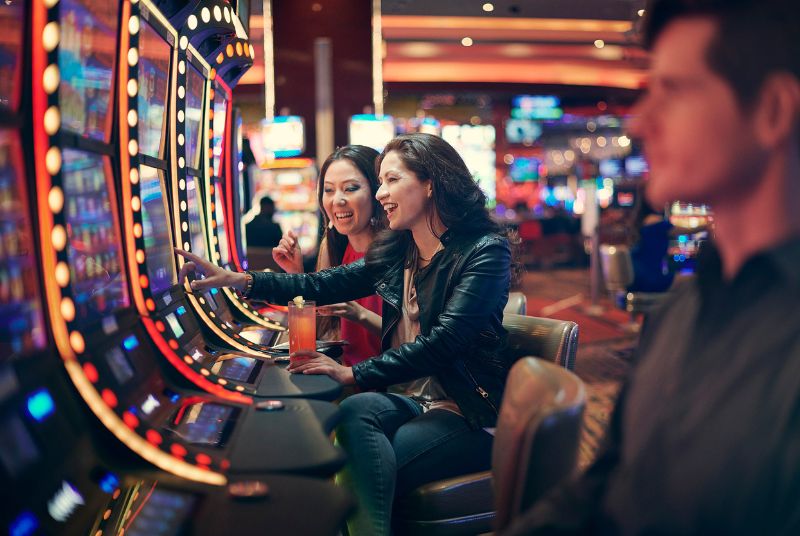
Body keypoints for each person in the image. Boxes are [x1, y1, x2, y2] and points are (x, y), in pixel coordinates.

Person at [504, 0, 800, 534]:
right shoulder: (683, 307)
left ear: (772, 111)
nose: (641, 121)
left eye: (675, 90)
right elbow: (605, 488)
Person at [176, 133, 513, 535]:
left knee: (357, 465)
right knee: (354, 412)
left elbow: (446, 341)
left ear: (430, 184)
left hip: (467, 409)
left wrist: (352, 373)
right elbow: (323, 284)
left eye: (391, 180)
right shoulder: (402, 250)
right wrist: (240, 280)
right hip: (413, 400)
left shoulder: (484, 250)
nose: (382, 193)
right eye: (380, 182)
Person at [270, 145, 385, 366]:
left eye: (350, 188)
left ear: (376, 192)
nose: (337, 200)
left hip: (385, 381)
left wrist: (359, 314)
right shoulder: (333, 247)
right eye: (329, 190)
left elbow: (415, 343)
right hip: (341, 375)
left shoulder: (397, 253)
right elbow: (314, 335)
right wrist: (296, 276)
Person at [626, 186, 673, 293]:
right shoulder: (654, 220)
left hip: (636, 275)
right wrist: (707, 226)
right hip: (649, 278)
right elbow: (682, 230)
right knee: (690, 281)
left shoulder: (640, 219)